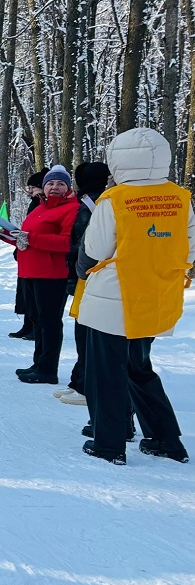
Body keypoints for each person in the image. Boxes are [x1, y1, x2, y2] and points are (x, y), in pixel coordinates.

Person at [77, 128, 194, 465]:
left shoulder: (114, 199)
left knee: (106, 372)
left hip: (113, 298)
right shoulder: (180, 198)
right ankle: (166, 439)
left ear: (119, 159)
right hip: (156, 294)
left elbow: (96, 248)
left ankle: (109, 444)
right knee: (139, 368)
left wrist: (83, 269)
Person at [10, 164, 79, 384]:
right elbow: (28, 237)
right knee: (37, 321)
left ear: (68, 187)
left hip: (52, 274)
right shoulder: (41, 207)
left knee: (49, 322)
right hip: (30, 272)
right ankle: (39, 363)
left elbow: (67, 242)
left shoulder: (71, 208)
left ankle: (48, 369)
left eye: (60, 184)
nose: (55, 187)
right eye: (50, 183)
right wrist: (9, 236)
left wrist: (30, 238)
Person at [54, 161, 110, 408]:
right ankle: (79, 380)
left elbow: (88, 242)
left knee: (86, 331)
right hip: (84, 274)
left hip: (88, 275)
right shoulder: (96, 200)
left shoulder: (97, 204)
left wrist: (74, 260)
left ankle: (86, 385)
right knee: (82, 329)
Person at [9, 170, 47, 339]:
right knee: (25, 293)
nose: (30, 190)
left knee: (33, 296)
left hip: (35, 253)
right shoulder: (34, 202)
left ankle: (34, 327)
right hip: (26, 252)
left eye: (33, 187)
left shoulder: (40, 204)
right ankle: (27, 325)